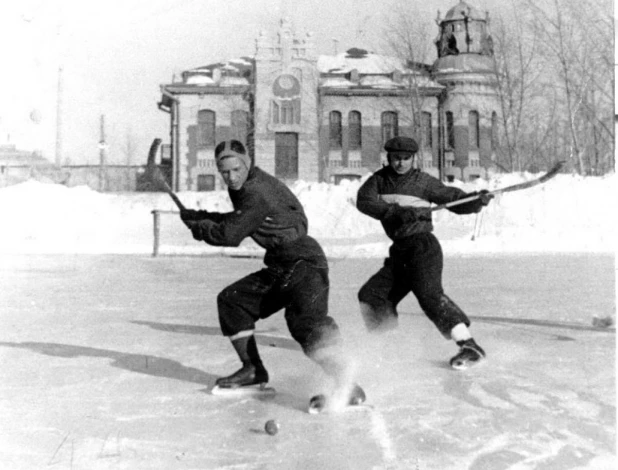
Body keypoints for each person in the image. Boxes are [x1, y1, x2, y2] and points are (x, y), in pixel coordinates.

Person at [180, 139, 364, 408]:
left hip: (303, 262)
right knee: (233, 300)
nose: (231, 177)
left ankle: (348, 385)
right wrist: (200, 215)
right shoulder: (247, 186)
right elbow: (240, 220)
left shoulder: (256, 191)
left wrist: (200, 227)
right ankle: (252, 371)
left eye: (236, 169)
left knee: (306, 325)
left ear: (247, 164)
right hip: (282, 263)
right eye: (225, 172)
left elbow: (231, 234)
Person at [355, 136, 493, 370]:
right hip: (399, 252)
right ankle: (390, 348)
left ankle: (469, 346)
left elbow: (453, 199)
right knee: (372, 295)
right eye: (396, 158)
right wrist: (393, 212)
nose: (400, 163)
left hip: (422, 247)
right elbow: (364, 202)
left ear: (413, 158)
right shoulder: (378, 181)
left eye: (405, 159)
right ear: (388, 158)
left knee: (428, 295)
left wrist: (476, 201)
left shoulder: (422, 182)